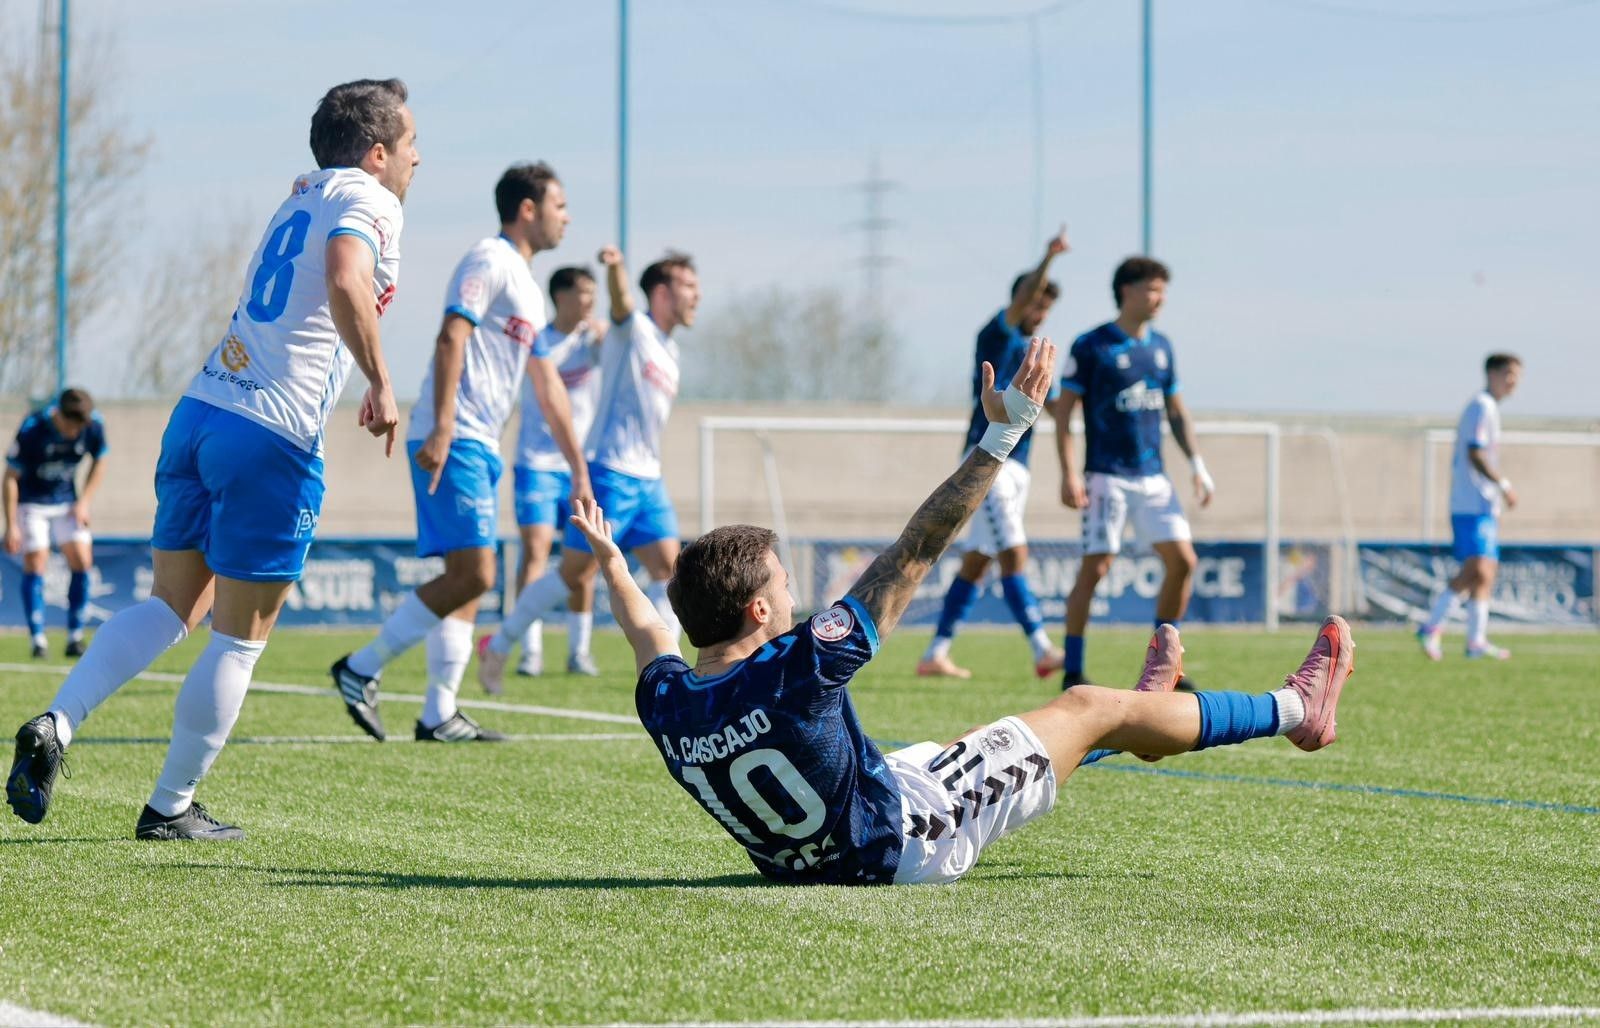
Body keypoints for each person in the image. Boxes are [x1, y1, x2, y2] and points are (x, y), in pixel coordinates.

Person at [572, 337, 1353, 885]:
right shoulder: (796, 670)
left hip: (825, 838)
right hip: (902, 843)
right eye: (782, 584)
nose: (793, 596)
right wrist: (1004, 431)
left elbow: (646, 629)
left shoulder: (668, 703)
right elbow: (915, 550)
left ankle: (1143, 718)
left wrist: (613, 563)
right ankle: (1295, 709)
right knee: (1083, 705)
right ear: (753, 609)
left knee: (987, 740)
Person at [6, 78, 418, 839]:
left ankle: (58, 724)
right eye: (413, 146)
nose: (419, 163)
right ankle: (169, 806)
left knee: (173, 606)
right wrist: (382, 382)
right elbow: (345, 276)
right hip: (270, 433)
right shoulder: (370, 196)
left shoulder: (302, 194)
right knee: (238, 635)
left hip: (201, 410)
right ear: (378, 153)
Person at [331, 163, 589, 742]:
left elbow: (547, 387)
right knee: (478, 573)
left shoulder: (526, 287)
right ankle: (360, 668)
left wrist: (578, 468)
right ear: (528, 209)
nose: (566, 217)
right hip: (459, 435)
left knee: (466, 575)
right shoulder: (490, 260)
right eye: (560, 205)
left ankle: (438, 713)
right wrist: (444, 426)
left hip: (480, 439)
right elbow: (452, 335)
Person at [476, 247, 697, 690]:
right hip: (610, 473)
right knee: (574, 573)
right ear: (660, 292)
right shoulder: (632, 328)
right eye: (688, 286)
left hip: (648, 478)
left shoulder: (669, 350)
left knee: (671, 572)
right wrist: (616, 266)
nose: (697, 295)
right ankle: (500, 646)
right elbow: (620, 303)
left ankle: (666, 674)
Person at [1054, 257, 1214, 689]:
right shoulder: (1092, 346)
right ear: (1127, 290)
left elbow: (1177, 413)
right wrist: (1070, 472)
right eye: (1152, 289)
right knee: (1097, 567)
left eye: (1163, 290)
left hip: (1154, 477)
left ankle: (1165, 665)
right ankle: (1072, 668)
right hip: (1106, 476)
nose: (1159, 298)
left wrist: (1197, 465)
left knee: (1183, 561)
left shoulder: (1162, 347)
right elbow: (1064, 413)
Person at [918, 227, 1069, 680]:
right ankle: (1043, 647)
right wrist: (1048, 258)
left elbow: (1059, 408)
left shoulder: (1036, 354)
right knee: (1014, 552)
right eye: (1037, 301)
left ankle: (935, 653)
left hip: (1018, 465)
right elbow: (1024, 298)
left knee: (977, 561)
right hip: (989, 460)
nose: (1040, 312)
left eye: (1047, 306)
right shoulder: (997, 334)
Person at [509, 265, 605, 678]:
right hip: (536, 462)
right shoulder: (538, 341)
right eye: (583, 292)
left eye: (593, 292)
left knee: (582, 558)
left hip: (581, 466)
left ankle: (577, 650)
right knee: (535, 550)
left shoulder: (596, 341)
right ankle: (529, 650)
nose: (590, 300)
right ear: (561, 296)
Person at [1416, 353, 1522, 661]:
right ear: (1492, 373)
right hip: (1470, 503)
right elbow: (1475, 453)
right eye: (1509, 374)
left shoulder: (1489, 408)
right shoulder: (1481, 406)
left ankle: (1476, 640)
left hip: (1484, 505)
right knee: (1476, 567)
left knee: (1486, 571)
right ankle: (1431, 625)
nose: (1514, 382)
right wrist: (1503, 485)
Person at [3, 389, 109, 658]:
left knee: (83, 561)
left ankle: (75, 636)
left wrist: (84, 501)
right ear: (58, 415)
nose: (75, 434)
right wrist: (11, 523)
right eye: (71, 427)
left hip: (67, 502)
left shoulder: (93, 424)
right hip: (32, 503)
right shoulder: (32, 429)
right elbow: (11, 477)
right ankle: (38, 640)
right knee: (37, 561)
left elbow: (100, 460)